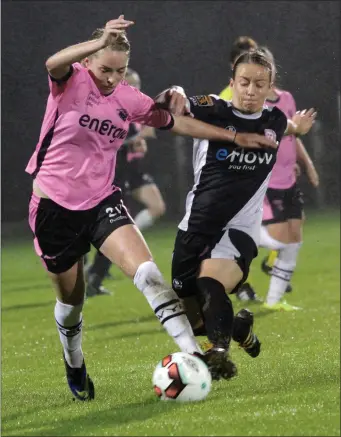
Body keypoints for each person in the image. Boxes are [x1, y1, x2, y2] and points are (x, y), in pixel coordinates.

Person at [26, 17, 276, 401]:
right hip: (52, 209)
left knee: (148, 275)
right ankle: (74, 361)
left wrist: (234, 136)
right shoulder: (70, 79)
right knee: (70, 305)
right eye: (105, 69)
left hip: (101, 203)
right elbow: (51, 63)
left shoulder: (128, 98)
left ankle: (195, 357)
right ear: (90, 61)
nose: (111, 78)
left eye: (120, 71)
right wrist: (96, 44)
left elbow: (178, 122)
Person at [170, 49, 316, 380]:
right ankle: (239, 328)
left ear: (270, 87)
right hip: (194, 226)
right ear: (232, 83)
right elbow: (177, 109)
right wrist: (177, 91)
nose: (251, 91)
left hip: (238, 229)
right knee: (191, 312)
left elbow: (291, 127)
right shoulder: (213, 109)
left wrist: (301, 129)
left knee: (210, 281)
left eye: (259, 84)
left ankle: (219, 352)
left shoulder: (275, 121)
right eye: (245, 82)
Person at [85, 68, 167, 297]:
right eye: (130, 84)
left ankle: (99, 267)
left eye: (137, 84)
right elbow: (108, 142)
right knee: (115, 225)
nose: (135, 88)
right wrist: (135, 141)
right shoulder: (113, 108)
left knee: (156, 208)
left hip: (134, 171)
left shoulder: (136, 107)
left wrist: (140, 140)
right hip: (118, 173)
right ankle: (93, 274)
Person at [256, 47, 320, 311]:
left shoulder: (287, 98)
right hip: (266, 180)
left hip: (288, 179)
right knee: (282, 239)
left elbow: (293, 135)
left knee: (295, 237)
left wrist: (307, 164)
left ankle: (273, 301)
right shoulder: (256, 105)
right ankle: (236, 233)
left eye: (267, 66)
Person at [219, 36, 260, 301]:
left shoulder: (258, 97)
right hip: (227, 180)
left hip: (251, 180)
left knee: (247, 236)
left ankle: (240, 284)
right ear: (234, 65)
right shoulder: (224, 98)